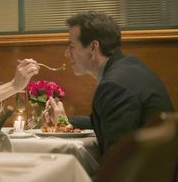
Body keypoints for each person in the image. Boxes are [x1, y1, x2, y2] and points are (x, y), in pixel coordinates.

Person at [45, 11, 174, 157]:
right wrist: (66, 121)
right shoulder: (131, 67)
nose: (66, 53)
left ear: (93, 47)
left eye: (72, 46)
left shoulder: (113, 86)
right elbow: (110, 120)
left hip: (144, 178)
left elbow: (118, 162)